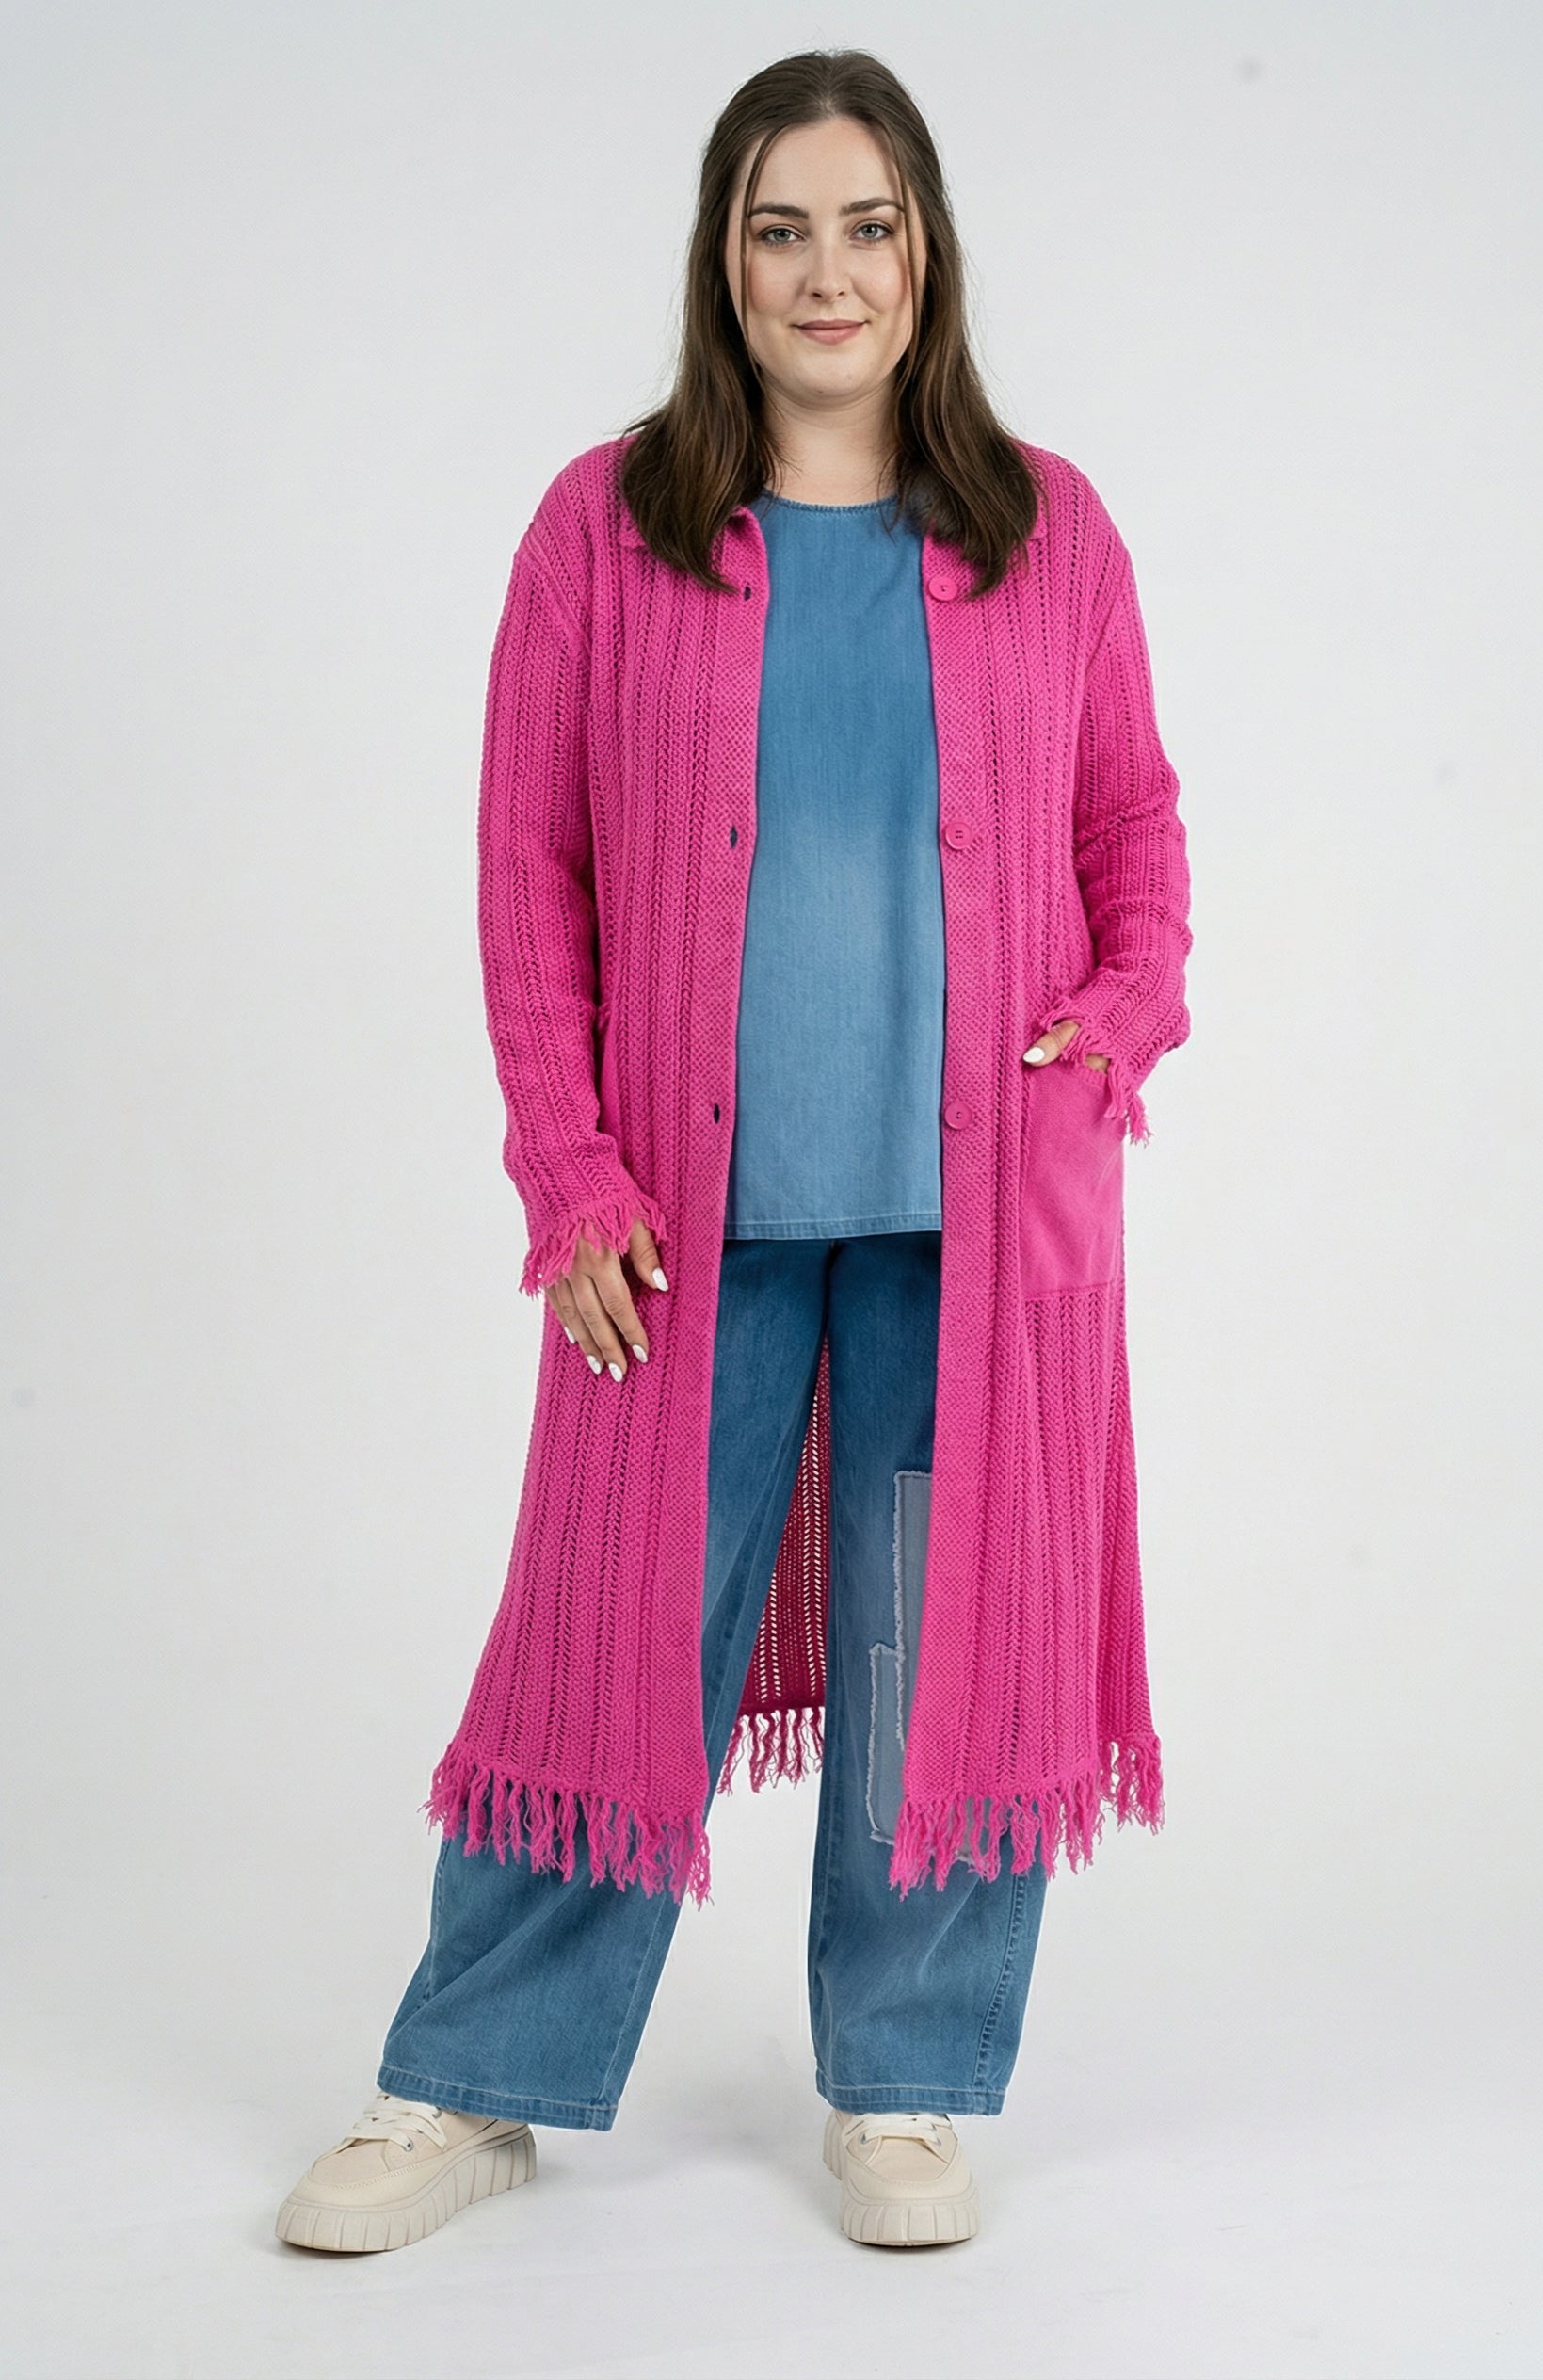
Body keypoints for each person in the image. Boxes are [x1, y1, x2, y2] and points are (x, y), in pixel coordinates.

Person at [277, 45, 1192, 2257]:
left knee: (927, 1648)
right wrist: (569, 1173)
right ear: (722, 258)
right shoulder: (601, 532)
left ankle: (904, 2076)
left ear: (923, 254)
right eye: (780, 229)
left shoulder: (1046, 531)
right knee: (608, 1635)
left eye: (865, 226)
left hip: (974, 1226)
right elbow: (530, 876)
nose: (824, 272)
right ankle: (469, 2078)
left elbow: (1134, 828)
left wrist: (1115, 1019)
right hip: (683, 1228)